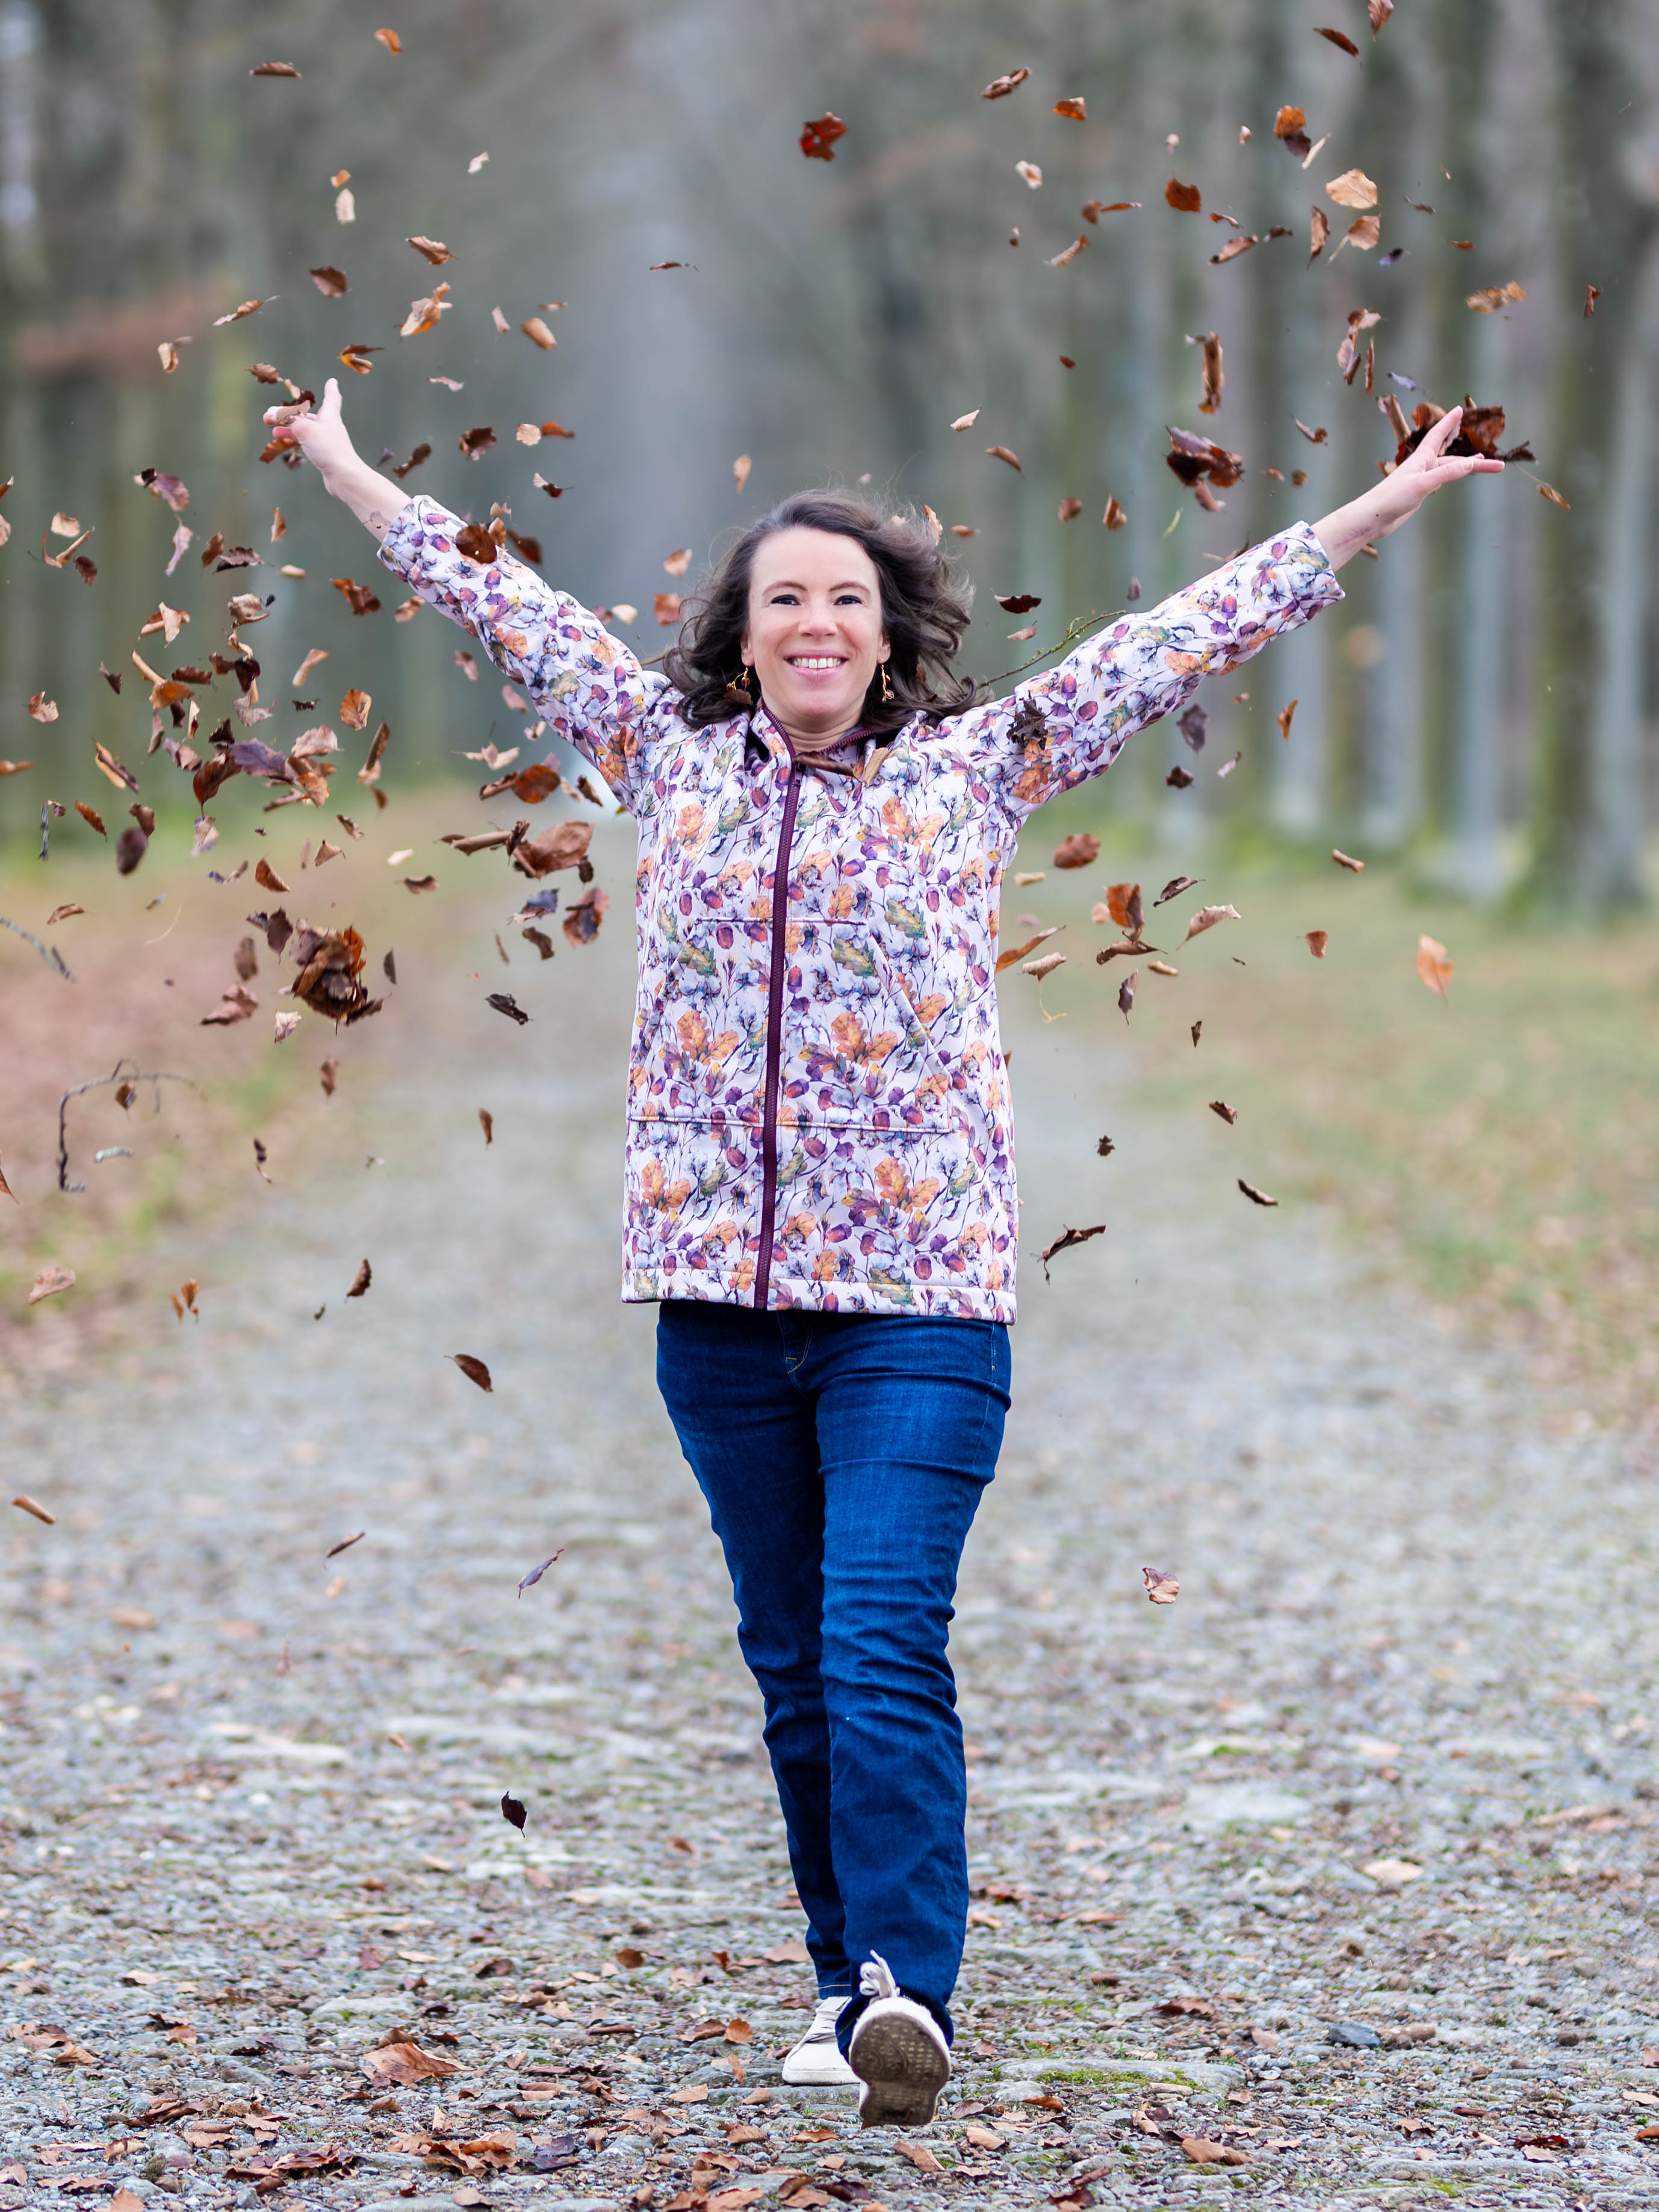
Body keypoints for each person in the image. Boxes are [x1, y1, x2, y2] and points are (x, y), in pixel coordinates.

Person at [268, 380, 1499, 2126]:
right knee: (790, 1662)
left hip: (918, 1302)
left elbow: (1181, 636)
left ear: (890, 629)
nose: (816, 622)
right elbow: (494, 600)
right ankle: (848, 1983)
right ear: (742, 640)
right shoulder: (656, 752)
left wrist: (1372, 510)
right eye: (785, 600)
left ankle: (907, 1984)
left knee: (877, 1638)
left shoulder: (978, 765)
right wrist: (334, 464)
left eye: (846, 596)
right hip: (715, 1308)